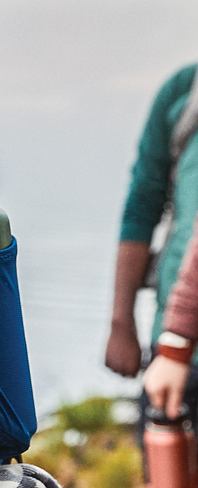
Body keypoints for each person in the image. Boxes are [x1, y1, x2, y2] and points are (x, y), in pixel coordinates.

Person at [106, 63, 198, 420]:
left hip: (177, 345)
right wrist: (121, 324)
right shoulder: (183, 91)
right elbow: (142, 206)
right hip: (178, 346)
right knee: (166, 465)